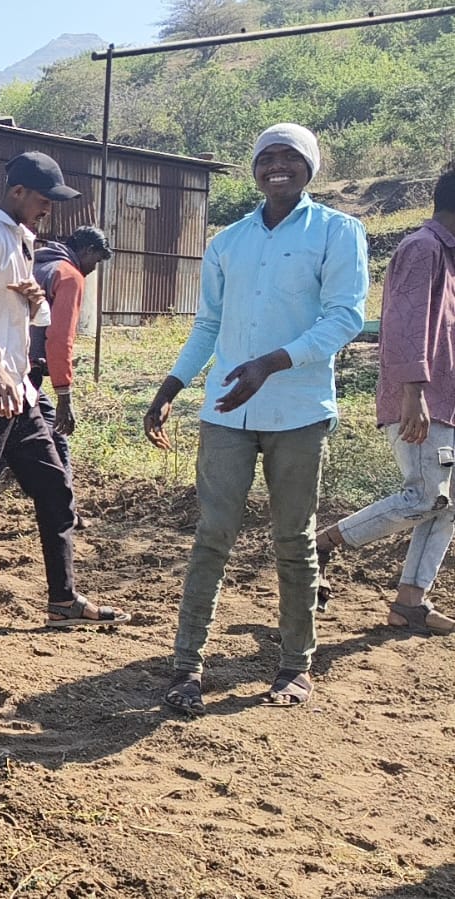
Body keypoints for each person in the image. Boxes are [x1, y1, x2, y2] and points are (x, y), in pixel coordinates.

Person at [145, 124, 368, 713]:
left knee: (293, 540)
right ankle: (187, 665)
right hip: (226, 413)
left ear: (310, 167)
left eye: (289, 157)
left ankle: (295, 666)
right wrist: (170, 387)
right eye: (266, 157)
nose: (277, 167)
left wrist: (272, 363)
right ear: (253, 168)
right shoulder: (229, 242)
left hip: (297, 412)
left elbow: (345, 318)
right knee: (212, 536)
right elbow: (209, 325)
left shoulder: (339, 233)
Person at [0, 151, 131, 641]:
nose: (49, 209)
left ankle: (62, 600)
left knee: (56, 492)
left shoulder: (22, 241)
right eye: (44, 199)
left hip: (20, 394)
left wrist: (36, 305)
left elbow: (27, 322)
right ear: (17, 192)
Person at [312, 167, 455, 637]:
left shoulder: (447, 256)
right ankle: (325, 543)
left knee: (447, 505)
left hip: (444, 399)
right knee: (425, 495)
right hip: (421, 398)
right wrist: (413, 393)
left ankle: (410, 603)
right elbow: (402, 324)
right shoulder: (423, 248)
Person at [28, 225, 113, 525]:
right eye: (97, 260)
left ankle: (66, 511)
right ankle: (66, 513)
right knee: (54, 436)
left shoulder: (36, 264)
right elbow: (60, 337)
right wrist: (64, 393)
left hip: (7, 368)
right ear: (88, 251)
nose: (93, 269)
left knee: (5, 449)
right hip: (27, 375)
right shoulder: (69, 275)